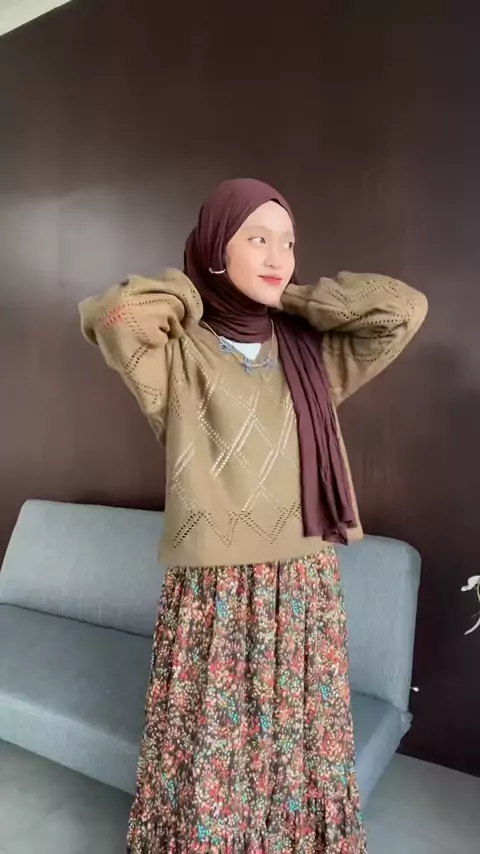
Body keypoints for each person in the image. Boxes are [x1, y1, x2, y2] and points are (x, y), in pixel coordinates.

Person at [79, 178, 428, 853]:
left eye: (288, 242)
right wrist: (195, 290)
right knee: (214, 745)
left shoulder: (310, 355)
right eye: (257, 238)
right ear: (216, 248)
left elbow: (402, 310)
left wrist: (292, 298)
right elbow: (116, 316)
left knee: (298, 744)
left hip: (302, 583)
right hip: (214, 588)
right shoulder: (177, 357)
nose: (277, 256)